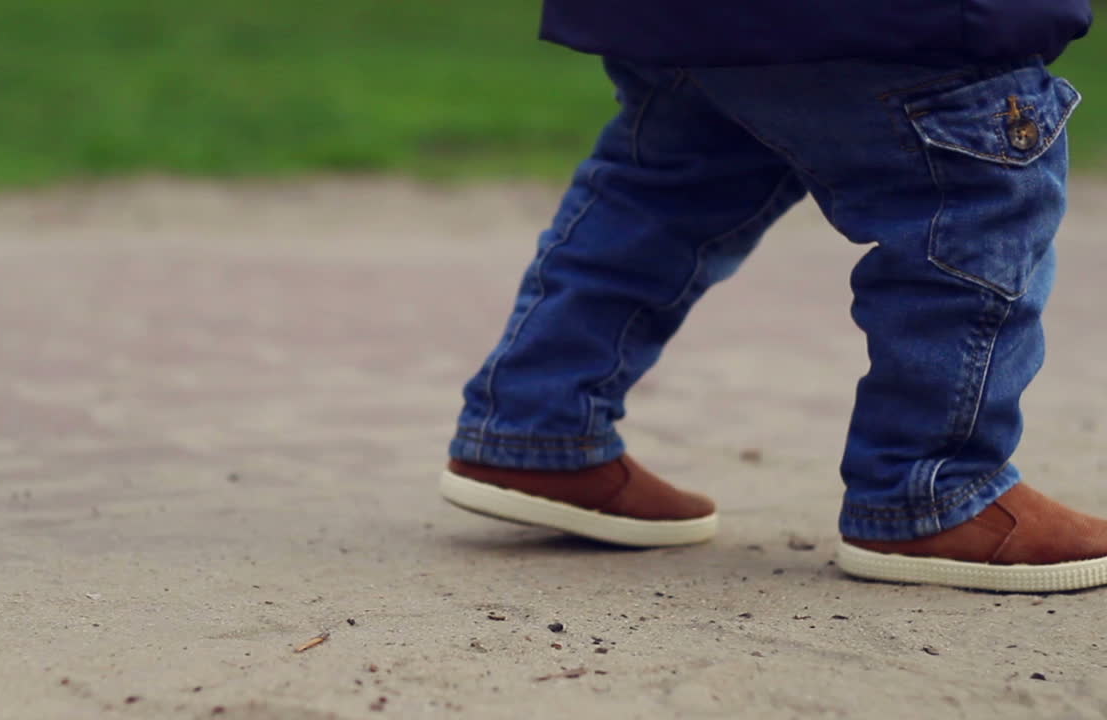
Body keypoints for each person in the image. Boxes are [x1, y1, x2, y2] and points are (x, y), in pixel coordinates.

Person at [439, 0, 1107, 593]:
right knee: (973, 203)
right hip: (901, 19)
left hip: (678, 17)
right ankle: (934, 492)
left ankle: (535, 424)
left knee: (659, 198)